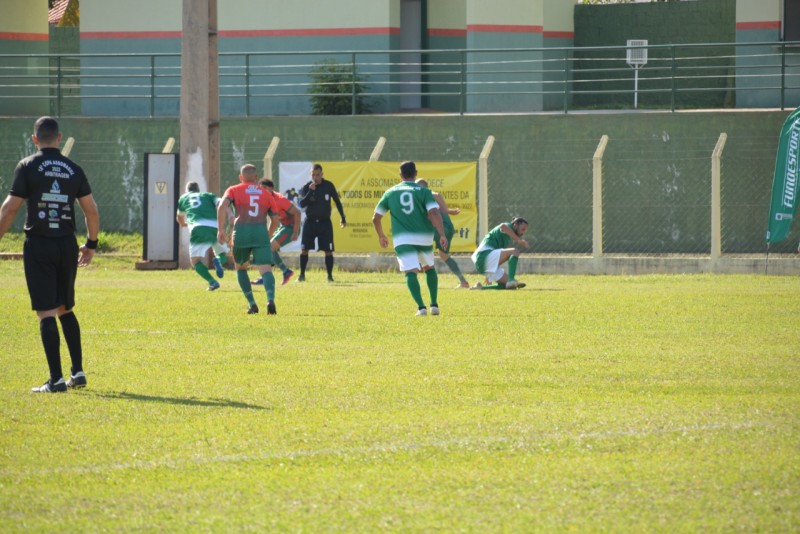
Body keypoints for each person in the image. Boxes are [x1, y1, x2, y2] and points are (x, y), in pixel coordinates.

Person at [0, 116, 100, 393]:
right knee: (65, 308)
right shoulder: (73, 168)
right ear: (59, 138)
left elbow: (10, 208)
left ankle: (55, 380)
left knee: (45, 312)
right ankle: (77, 372)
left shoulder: (28, 166)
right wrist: (91, 244)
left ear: (35, 139)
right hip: (67, 244)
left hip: (39, 244)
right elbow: (91, 210)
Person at [373, 161, 448, 316]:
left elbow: (376, 218)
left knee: (410, 271)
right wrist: (441, 234)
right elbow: (434, 213)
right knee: (429, 267)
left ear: (400, 175)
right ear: (416, 173)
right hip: (424, 237)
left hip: (403, 239)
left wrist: (381, 235)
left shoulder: (390, 192)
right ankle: (434, 305)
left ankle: (421, 308)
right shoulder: (424, 191)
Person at [217, 164, 280, 315]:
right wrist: (268, 235)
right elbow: (276, 221)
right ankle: (270, 299)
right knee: (266, 269)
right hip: (260, 232)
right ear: (257, 178)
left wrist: (220, 230)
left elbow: (221, 206)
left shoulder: (233, 190)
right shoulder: (266, 194)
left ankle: (252, 304)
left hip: (241, 233)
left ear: (241, 178)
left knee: (241, 268)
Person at [415, 178, 470, 288]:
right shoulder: (424, 197)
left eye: (417, 187)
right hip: (448, 228)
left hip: (440, 228)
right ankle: (463, 282)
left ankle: (415, 272)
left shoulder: (426, 194)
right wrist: (447, 210)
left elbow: (437, 195)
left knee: (416, 243)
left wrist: (447, 210)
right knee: (443, 255)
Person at [176, 181, 230, 291]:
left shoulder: (184, 198)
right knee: (222, 254)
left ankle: (212, 282)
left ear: (187, 190)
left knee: (195, 261)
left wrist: (183, 224)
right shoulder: (208, 195)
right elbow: (222, 203)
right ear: (198, 190)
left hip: (198, 228)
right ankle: (218, 261)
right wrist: (230, 215)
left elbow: (179, 217)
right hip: (215, 227)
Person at [297, 163, 346, 282]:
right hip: (310, 222)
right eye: (313, 175)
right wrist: (310, 191)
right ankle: (302, 275)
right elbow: (302, 204)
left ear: (322, 174)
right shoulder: (307, 186)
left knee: (328, 251)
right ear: (311, 175)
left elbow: (337, 201)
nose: (315, 177)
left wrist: (342, 217)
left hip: (325, 223)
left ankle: (330, 276)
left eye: (318, 175)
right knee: (304, 249)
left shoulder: (328, 186)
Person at [251, 178, 301, 286]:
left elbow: (297, 213)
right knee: (267, 248)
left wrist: (296, 232)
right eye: (261, 189)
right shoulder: (266, 200)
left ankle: (269, 276)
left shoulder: (280, 199)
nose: (262, 191)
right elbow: (274, 221)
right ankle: (285, 271)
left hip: (290, 228)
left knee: (268, 248)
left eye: (265, 188)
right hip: (283, 227)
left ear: (271, 188)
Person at [470, 217, 529, 290]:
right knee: (515, 251)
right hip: (483, 255)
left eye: (525, 231)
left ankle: (480, 288)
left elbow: (498, 257)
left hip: (485, 262)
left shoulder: (508, 237)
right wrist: (518, 240)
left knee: (509, 287)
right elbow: (502, 226)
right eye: (522, 229)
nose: (523, 233)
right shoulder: (508, 226)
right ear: (516, 225)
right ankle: (511, 280)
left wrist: (488, 274)